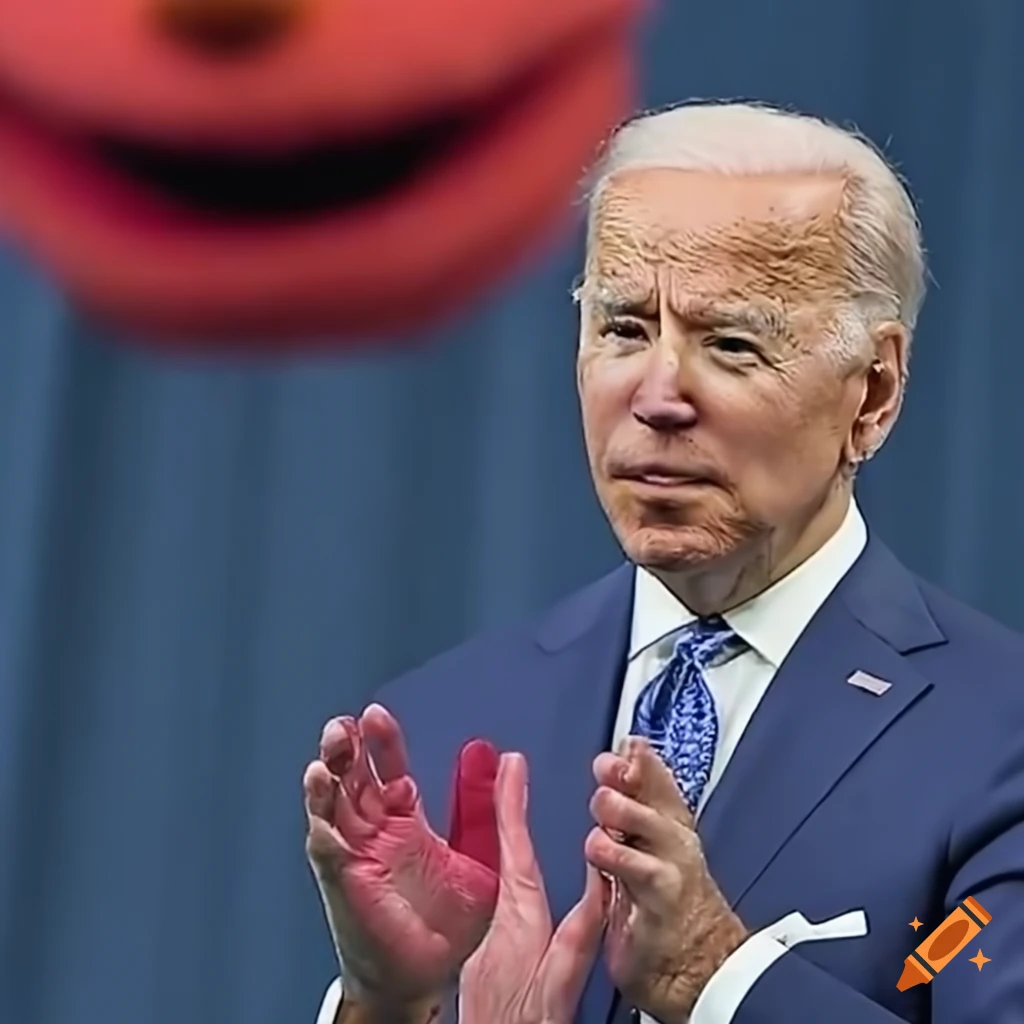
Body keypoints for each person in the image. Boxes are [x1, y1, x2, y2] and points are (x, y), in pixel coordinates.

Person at [303, 101, 1024, 1024]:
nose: (656, 396)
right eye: (623, 329)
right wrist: (386, 1000)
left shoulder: (998, 739)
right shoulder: (443, 727)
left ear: (873, 393)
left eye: (729, 342)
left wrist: (719, 979)